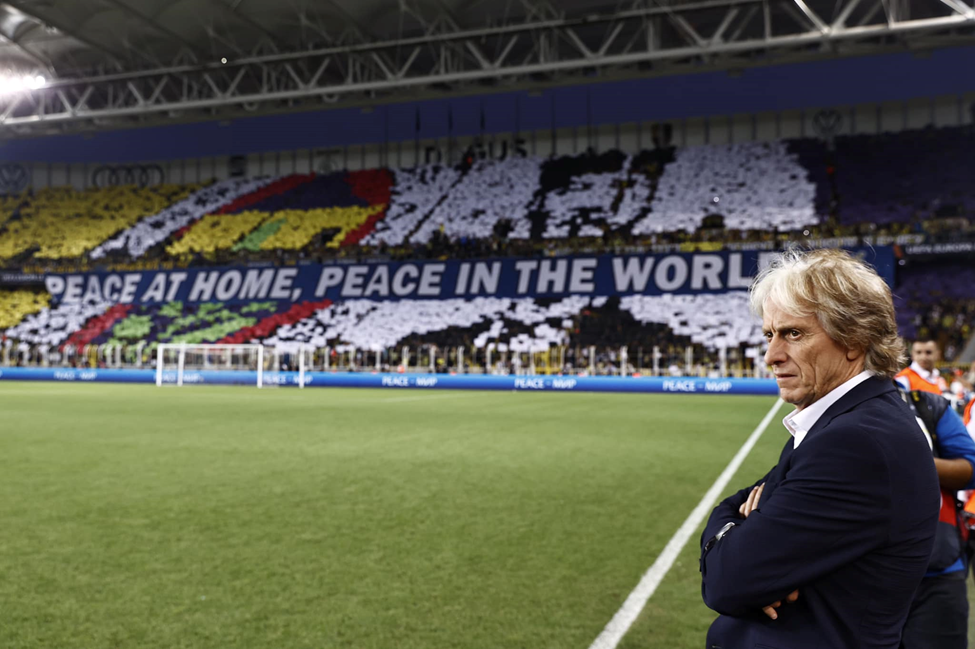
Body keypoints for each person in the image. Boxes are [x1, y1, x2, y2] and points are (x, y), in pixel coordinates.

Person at [700, 248, 939, 649]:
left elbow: (727, 582)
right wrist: (740, 526)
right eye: (769, 335)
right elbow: (746, 510)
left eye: (793, 334)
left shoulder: (855, 441)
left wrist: (732, 528)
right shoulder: (847, 421)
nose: (771, 356)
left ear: (854, 339)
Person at [896, 387, 975, 649]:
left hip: (937, 568)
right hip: (860, 578)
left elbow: (971, 467)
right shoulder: (833, 409)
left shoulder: (926, 404)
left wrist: (912, 460)